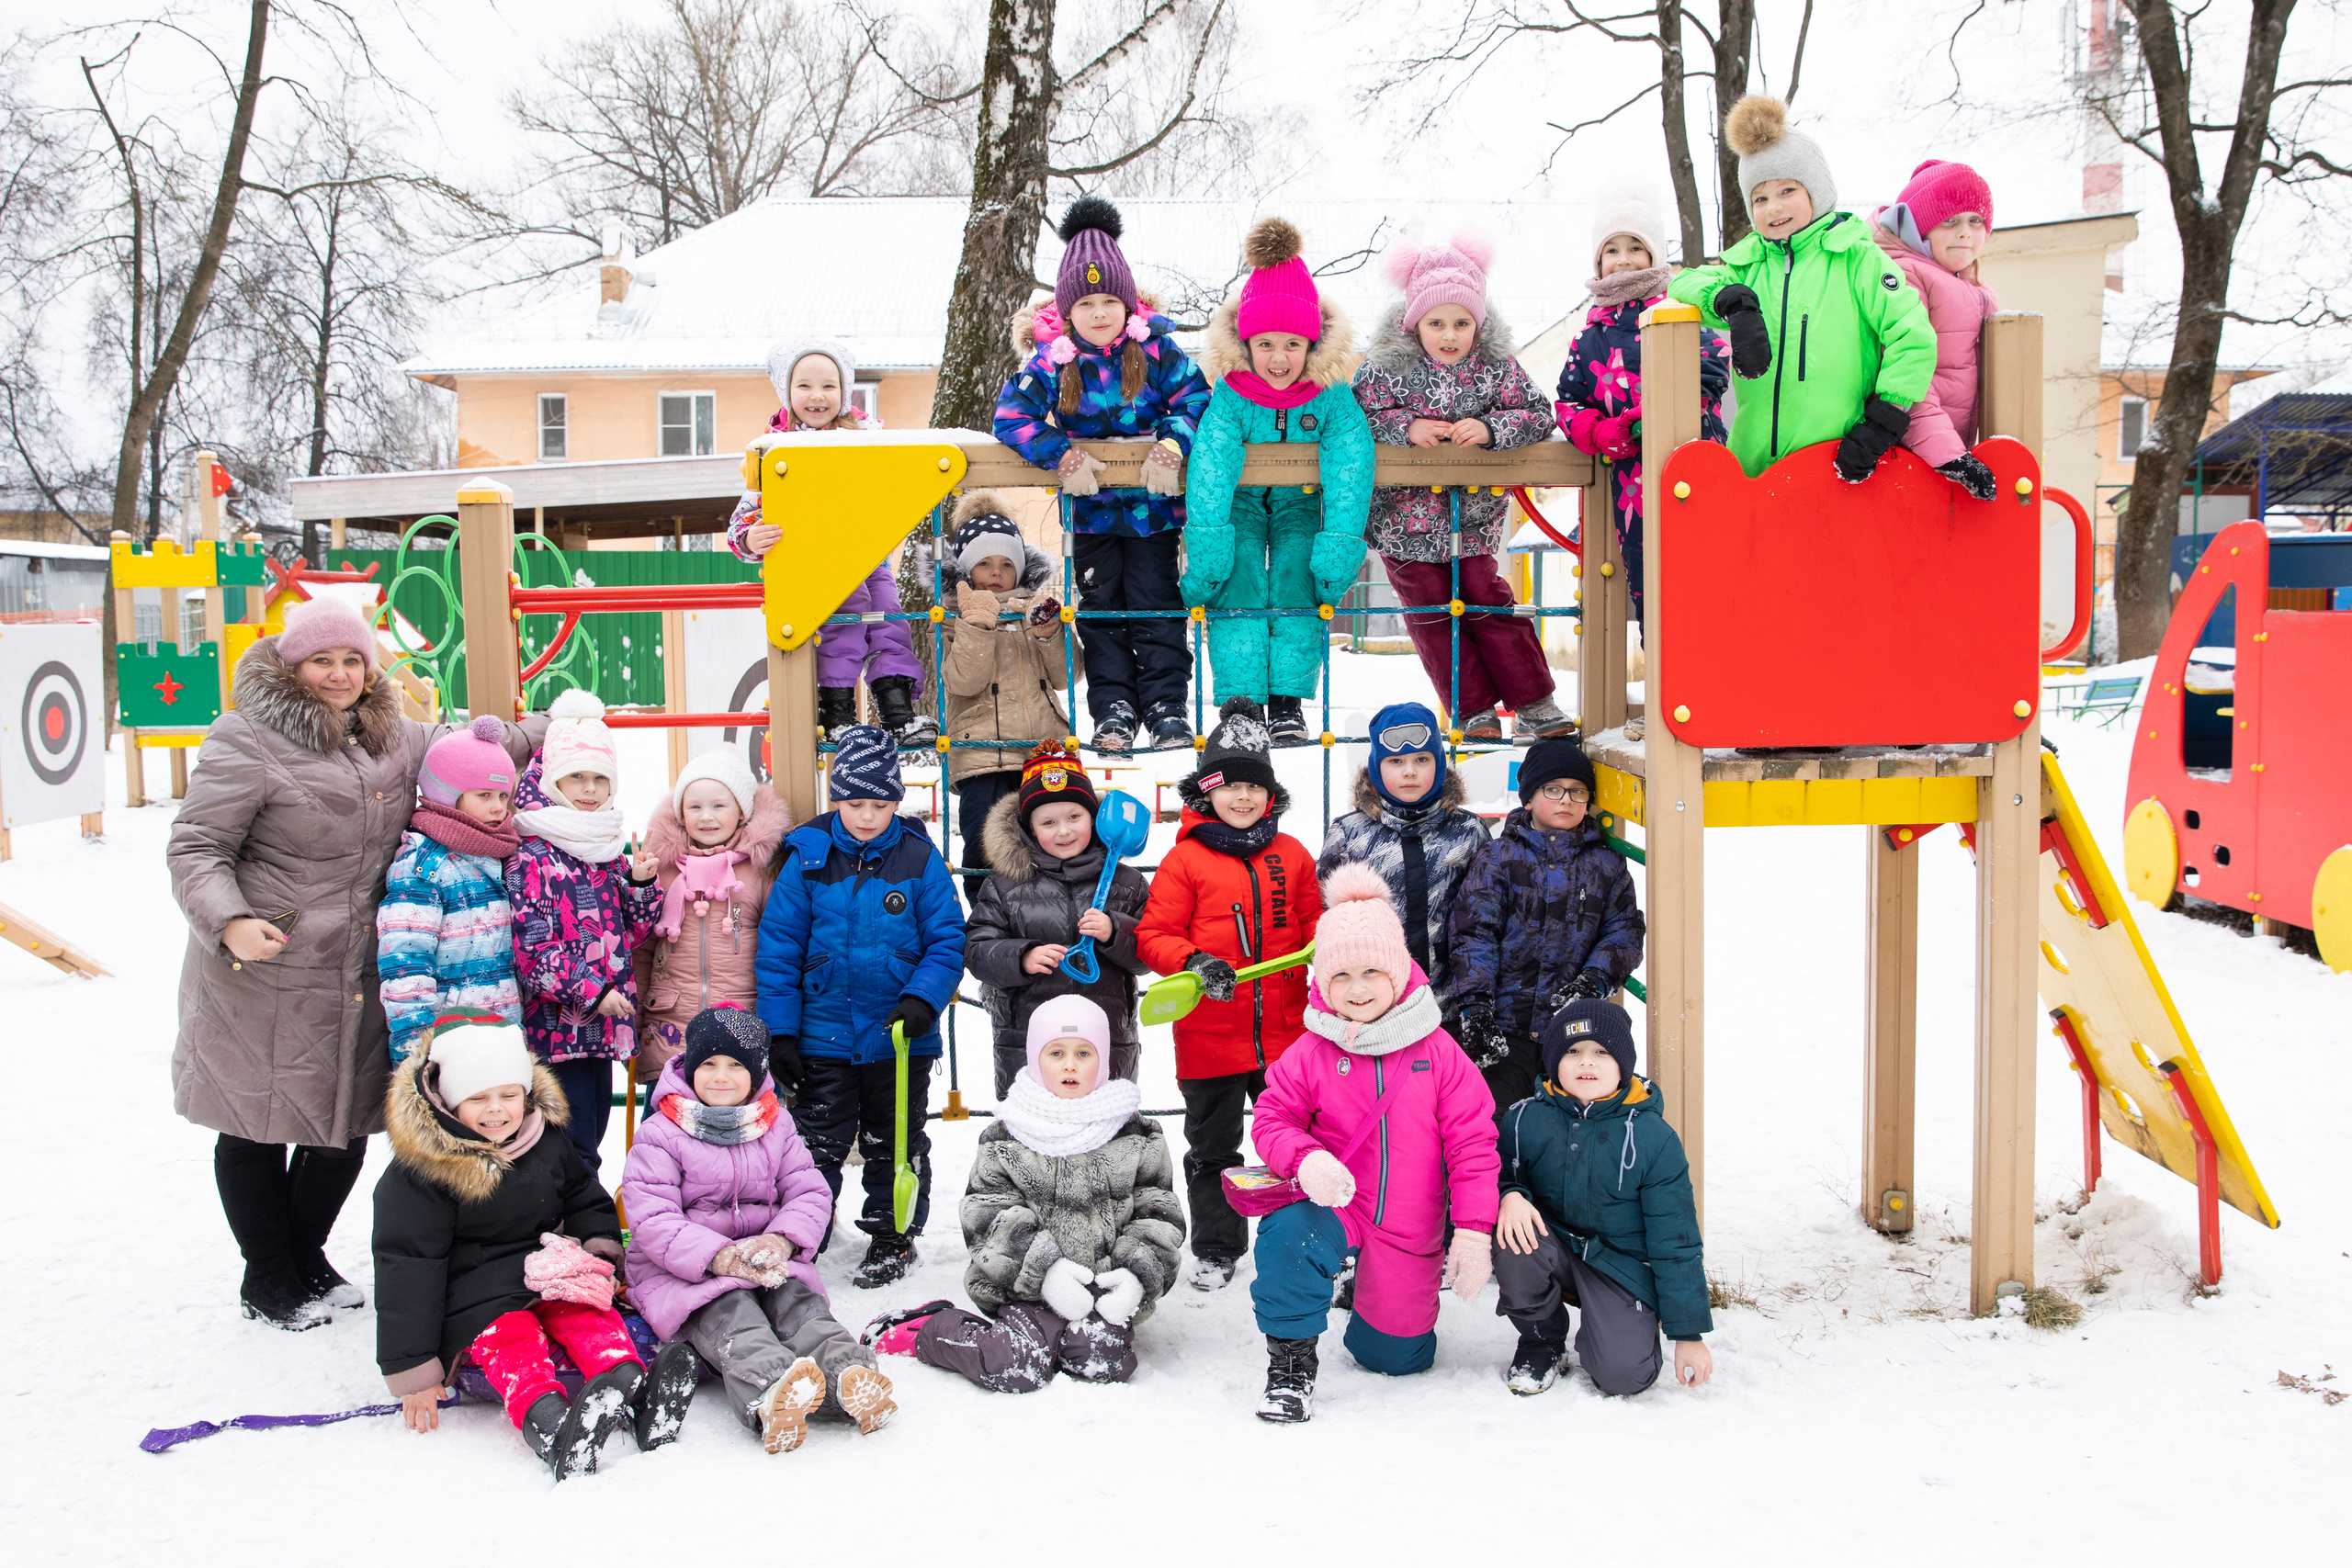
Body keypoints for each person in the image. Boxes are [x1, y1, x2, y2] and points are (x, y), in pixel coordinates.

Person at [168, 597, 546, 1328]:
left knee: (345, 1122)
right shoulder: (245, 737)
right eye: (321, 660)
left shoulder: (397, 737)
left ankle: (305, 1256)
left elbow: (473, 750)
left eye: (351, 659)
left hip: (363, 970)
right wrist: (231, 921)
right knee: (256, 1123)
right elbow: (197, 846)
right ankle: (269, 1272)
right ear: (290, 664)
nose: (339, 674)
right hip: (267, 963)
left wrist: (554, 730)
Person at [373, 1016, 698, 1479]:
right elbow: (406, 1266)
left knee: (588, 1313)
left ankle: (635, 1390)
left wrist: (598, 1250)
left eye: (508, 1095)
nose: (496, 1110)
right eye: (478, 1098)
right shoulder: (421, 1172)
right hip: (473, 1289)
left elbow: (584, 1196)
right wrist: (415, 1371)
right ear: (447, 1102)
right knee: (513, 1339)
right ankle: (550, 1423)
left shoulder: (543, 1138)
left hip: (545, 1266)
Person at [1243, 865, 1498, 1422]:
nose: (1357, 990)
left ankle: (1369, 1291)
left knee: (1396, 1357)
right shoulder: (1313, 1050)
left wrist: (1475, 1232)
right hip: (1336, 1203)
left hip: (1409, 1222)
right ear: (1322, 983)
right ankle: (1290, 1365)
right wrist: (1305, 1159)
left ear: (1401, 972)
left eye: (1372, 972)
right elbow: (1271, 1117)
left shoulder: (1440, 1053)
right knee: (1289, 1240)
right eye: (1341, 977)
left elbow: (1473, 1145)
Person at [872, 998, 1185, 1393]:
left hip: (1102, 1291)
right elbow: (988, 1215)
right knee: (1017, 1365)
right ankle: (927, 1329)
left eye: (1083, 1053)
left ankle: (1070, 1337)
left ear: (1103, 1058)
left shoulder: (1135, 1134)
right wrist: (1047, 1273)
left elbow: (1159, 1213)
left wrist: (1135, 1278)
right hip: (1026, 1288)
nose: (1070, 1064)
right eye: (1056, 1053)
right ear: (1037, 1061)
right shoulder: (1009, 1134)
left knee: (1106, 1363)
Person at [622, 1005, 897, 1453]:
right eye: (708, 1064)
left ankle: (849, 1375)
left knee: (799, 1305)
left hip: (765, 1257)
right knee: (733, 1316)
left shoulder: (776, 1124)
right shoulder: (661, 1133)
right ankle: (771, 1390)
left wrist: (782, 1240)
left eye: (736, 1065)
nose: (721, 1077)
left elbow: (809, 1192)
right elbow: (653, 1217)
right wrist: (719, 1258)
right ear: (690, 1068)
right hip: (688, 1267)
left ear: (757, 1072)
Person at [993, 197, 1211, 753]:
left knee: (1157, 605)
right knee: (1102, 609)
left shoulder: (1158, 352)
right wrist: (1060, 454)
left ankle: (1166, 706)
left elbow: (1198, 399)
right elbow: (1010, 416)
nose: (1099, 313)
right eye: (1086, 302)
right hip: (1090, 514)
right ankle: (1113, 708)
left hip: (1155, 513)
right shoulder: (1053, 361)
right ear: (1068, 311)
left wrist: (1171, 444)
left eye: (1109, 300)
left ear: (1128, 302)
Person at [756, 725, 967, 1287]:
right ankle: (804, 1235)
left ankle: (892, 1234)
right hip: (821, 1035)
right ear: (836, 799)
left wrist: (922, 999)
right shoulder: (808, 859)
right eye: (855, 803)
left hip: (900, 1038)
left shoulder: (919, 859)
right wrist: (780, 1033)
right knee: (815, 1144)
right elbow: (780, 950)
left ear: (897, 801)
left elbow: (947, 939)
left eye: (880, 803)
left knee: (894, 1138)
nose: (868, 816)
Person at [1134, 699, 1325, 1290]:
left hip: (1288, 1032)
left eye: (1254, 787)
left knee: (1296, 1139)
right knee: (1213, 1146)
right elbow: (1153, 935)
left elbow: (1314, 917)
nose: (1242, 798)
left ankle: (1302, 1234)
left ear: (1270, 795)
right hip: (1211, 1034)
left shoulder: (1290, 854)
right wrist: (1194, 961)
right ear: (1206, 792)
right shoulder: (1184, 859)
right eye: (1229, 786)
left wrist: (1325, 947)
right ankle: (1217, 1245)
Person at [1354, 231, 1572, 742]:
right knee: (1431, 612)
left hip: (1471, 520)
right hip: (1402, 523)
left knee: (1486, 597)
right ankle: (1472, 708)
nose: (1449, 334)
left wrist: (1493, 430)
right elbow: (1355, 418)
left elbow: (1538, 413)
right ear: (1414, 324)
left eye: (1462, 322)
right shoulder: (1386, 367)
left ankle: (1534, 701)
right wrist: (1405, 428)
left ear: (1479, 323)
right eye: (1436, 323)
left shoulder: (1495, 367)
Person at [1668, 96, 1939, 488]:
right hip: (1754, 466)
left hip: (1832, 459)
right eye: (1760, 198)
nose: (1774, 207)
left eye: (1787, 190)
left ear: (1816, 190)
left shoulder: (1855, 258)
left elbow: (1911, 334)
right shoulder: (1750, 263)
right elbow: (1682, 282)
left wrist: (1884, 419)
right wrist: (1734, 303)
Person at [1181, 217, 1375, 746]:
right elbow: (1212, 468)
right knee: (1238, 579)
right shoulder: (1234, 392)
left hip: (1300, 503)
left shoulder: (1329, 392)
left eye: (1293, 344)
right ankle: (1242, 703)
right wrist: (1209, 544)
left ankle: (1287, 702)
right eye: (1265, 344)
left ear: (1312, 344)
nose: (1279, 359)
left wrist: (1338, 544)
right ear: (1246, 343)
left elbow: (1351, 463)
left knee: (1297, 577)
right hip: (1240, 505)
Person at [1492, 998, 1713, 1396]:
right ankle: (1542, 1339)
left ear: (1622, 1064)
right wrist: (1510, 1194)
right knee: (1513, 1236)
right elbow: (1498, 1174)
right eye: (1573, 1052)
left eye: (1601, 1052)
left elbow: (1675, 1237)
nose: (1586, 1063)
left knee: (1624, 1378)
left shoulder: (1652, 1137)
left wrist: (1688, 1333)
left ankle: (1611, 1332)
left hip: (1619, 1266)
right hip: (1551, 1247)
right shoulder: (1524, 1118)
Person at [728, 337, 934, 746]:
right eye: (804, 386)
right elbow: (744, 517)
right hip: (815, 562)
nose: (817, 396)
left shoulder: (865, 439)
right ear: (786, 392)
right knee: (845, 623)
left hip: (868, 557)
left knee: (888, 620)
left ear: (845, 392)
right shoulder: (775, 449)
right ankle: (837, 711)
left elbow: (889, 486)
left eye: (829, 386)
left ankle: (897, 712)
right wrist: (751, 537)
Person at [1555, 190, 1731, 632]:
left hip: (1696, 466)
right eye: (1612, 250)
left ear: (1655, 256)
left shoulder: (1682, 312)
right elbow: (1569, 402)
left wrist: (1665, 412)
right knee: (1649, 585)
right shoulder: (1590, 338)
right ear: (1598, 263)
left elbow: (1712, 365)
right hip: (1631, 484)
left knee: (1710, 578)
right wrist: (1605, 432)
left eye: (1636, 247)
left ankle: (1714, 681)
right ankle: (1661, 684)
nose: (1625, 259)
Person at [505, 688, 662, 1177]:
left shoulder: (606, 848)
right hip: (554, 1030)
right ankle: (567, 1233)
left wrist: (639, 887)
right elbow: (533, 951)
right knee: (567, 1145)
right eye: (577, 777)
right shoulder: (534, 855)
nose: (590, 789)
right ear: (553, 781)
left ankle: (581, 1231)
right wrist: (593, 992)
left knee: (592, 1131)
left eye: (600, 779)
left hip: (598, 1029)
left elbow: (629, 936)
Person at [1449, 738, 1645, 1111]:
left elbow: (1624, 930)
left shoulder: (1605, 865)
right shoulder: (1499, 858)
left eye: (1577, 791)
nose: (1566, 800)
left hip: (1571, 1030)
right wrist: (1476, 1008)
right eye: (1553, 790)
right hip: (1505, 1027)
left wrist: (1595, 978)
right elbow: (1474, 934)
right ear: (1528, 798)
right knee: (1498, 1125)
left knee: (1564, 1128)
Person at [964, 745, 1151, 1098]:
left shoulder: (1128, 884)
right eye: (1048, 823)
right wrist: (1021, 956)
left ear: (1094, 818)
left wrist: (1115, 932)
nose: (1064, 831)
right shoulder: (1005, 886)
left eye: (1074, 817)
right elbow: (977, 950)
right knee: (1032, 1132)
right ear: (1030, 830)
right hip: (1026, 1039)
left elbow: (1150, 953)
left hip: (1107, 1038)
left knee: (1105, 1130)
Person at [1317, 700, 1490, 1023]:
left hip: (1449, 1005)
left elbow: (1485, 917)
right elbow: (1328, 921)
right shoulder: (1349, 833)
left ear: (1438, 764)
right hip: (1374, 1008)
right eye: (1396, 761)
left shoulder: (1468, 831)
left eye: (1421, 759)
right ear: (1376, 768)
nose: (1409, 771)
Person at [936, 491, 1074, 892]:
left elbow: (1068, 676)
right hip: (982, 755)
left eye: (1006, 564)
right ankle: (989, 924)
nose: (996, 572)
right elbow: (962, 681)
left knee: (1053, 843)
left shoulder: (1036, 607)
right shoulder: (948, 616)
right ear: (966, 570)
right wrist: (976, 624)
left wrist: (1050, 633)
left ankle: (1050, 916)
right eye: (983, 563)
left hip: (1043, 747)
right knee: (984, 848)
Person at [633, 746, 794, 1085]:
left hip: (741, 1024)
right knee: (666, 1130)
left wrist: (782, 1026)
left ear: (741, 811)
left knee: (744, 1128)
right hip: (669, 1032)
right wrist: (633, 1022)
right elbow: (642, 950)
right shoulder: (661, 870)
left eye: (718, 806)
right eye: (695, 807)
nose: (706, 816)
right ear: (680, 814)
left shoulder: (760, 871)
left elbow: (782, 948)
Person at [379, 715, 525, 1065]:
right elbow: (405, 963)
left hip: (504, 1036)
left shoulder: (500, 855)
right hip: (448, 1044)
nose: (498, 807)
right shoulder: (423, 867)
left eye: (504, 795)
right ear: (447, 795)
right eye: (484, 794)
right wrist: (416, 1053)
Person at [1869, 159, 2001, 500]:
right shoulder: (1909, 275)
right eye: (1950, 221)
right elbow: (1908, 373)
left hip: (1941, 453)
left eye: (1976, 221)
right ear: (1920, 229)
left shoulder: (1974, 288)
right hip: (1910, 456)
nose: (1965, 233)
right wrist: (1949, 456)